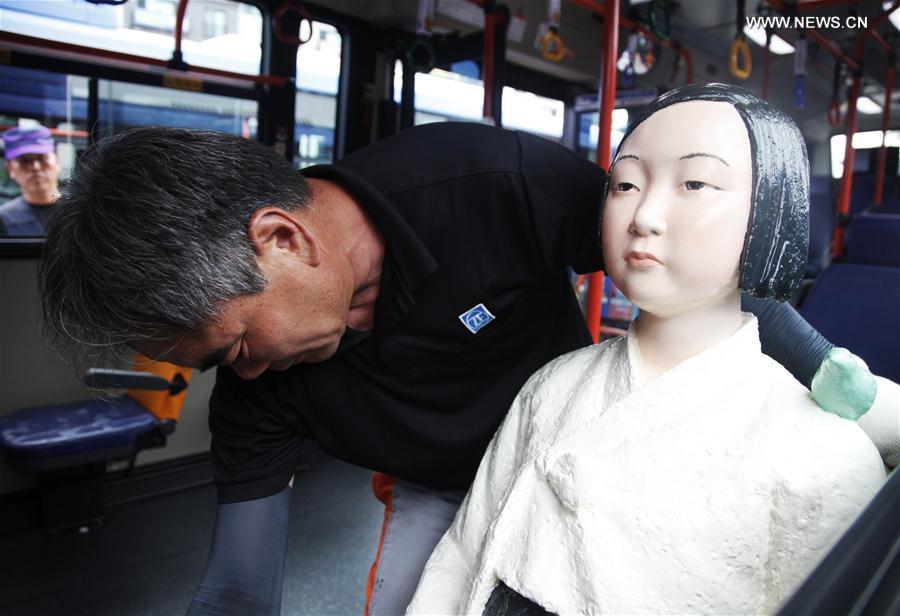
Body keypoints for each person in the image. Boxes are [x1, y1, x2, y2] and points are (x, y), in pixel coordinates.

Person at [38, 121, 897, 616]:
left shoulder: (498, 185)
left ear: (282, 240)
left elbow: (694, 277)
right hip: (444, 494)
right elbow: (236, 591)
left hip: (597, 456)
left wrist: (832, 380)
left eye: (234, 348)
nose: (246, 377)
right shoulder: (258, 399)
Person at [407, 84, 887, 615]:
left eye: (696, 182)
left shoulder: (821, 457)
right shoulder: (552, 384)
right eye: (626, 184)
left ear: (771, 214)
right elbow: (465, 550)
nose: (645, 215)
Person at [0, 125, 61, 236]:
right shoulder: (4, 219)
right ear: (10, 168)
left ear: (56, 160)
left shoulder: (81, 211)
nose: (35, 167)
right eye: (24, 161)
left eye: (41, 158)